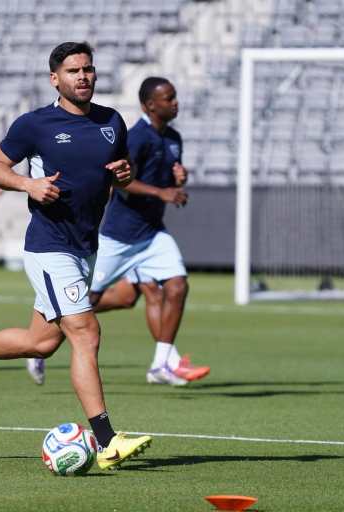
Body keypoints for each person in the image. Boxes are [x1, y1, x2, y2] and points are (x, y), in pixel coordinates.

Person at [0, 42, 152, 470]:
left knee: (42, 342)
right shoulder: (35, 124)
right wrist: (28, 185)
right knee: (85, 334)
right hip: (49, 245)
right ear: (56, 79)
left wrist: (126, 175)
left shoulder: (112, 122)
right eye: (73, 71)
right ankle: (106, 442)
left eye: (88, 69)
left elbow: (120, 174)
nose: (83, 77)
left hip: (85, 244)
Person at [27, 77, 210, 387]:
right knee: (99, 298)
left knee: (175, 286)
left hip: (152, 233)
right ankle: (45, 331)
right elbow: (118, 181)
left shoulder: (174, 138)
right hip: (120, 234)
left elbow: (167, 178)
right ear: (150, 105)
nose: (175, 102)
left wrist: (178, 180)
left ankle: (162, 363)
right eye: (169, 98)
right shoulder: (136, 137)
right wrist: (161, 193)